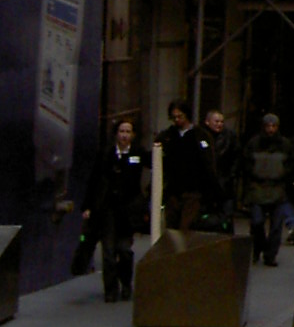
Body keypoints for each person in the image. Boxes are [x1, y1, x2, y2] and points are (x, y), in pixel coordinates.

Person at [82, 117, 147, 301]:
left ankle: (126, 284)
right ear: (116, 134)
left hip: (128, 211)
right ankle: (110, 290)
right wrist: (87, 206)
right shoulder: (106, 154)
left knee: (124, 250)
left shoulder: (138, 153)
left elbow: (154, 164)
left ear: (133, 135)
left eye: (128, 132)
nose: (124, 135)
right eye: (122, 131)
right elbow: (94, 180)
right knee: (108, 252)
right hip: (108, 209)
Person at [158, 100, 219, 232]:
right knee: (171, 227)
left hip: (193, 190)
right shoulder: (167, 136)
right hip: (173, 190)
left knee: (187, 226)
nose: (177, 120)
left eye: (180, 116)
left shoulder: (200, 136)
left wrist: (210, 190)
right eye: (174, 117)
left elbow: (209, 162)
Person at [241, 113, 293, 265]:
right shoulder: (254, 143)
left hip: (278, 188)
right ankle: (259, 247)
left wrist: (283, 175)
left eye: (274, 126)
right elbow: (246, 163)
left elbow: (291, 163)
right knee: (257, 222)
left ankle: (270, 255)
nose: (271, 129)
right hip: (258, 188)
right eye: (268, 126)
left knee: (276, 226)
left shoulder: (285, 144)